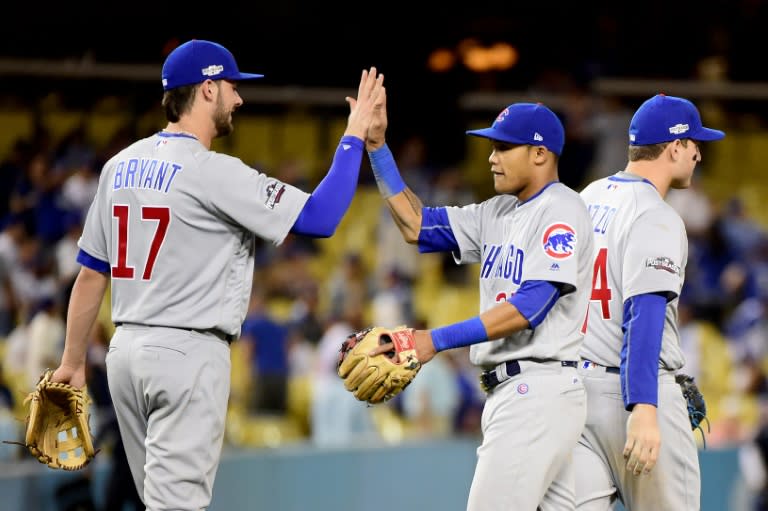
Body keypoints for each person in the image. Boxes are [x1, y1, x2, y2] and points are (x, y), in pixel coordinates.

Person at [48, 39, 385, 510]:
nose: (239, 98)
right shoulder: (212, 171)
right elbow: (321, 217)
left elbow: (90, 275)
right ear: (207, 89)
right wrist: (352, 134)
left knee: (157, 502)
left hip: (125, 354)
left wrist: (72, 362)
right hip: (186, 354)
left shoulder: (117, 166)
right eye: (231, 86)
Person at [366, 98, 595, 510]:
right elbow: (416, 226)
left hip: (536, 390)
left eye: (504, 148)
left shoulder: (560, 208)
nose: (491, 158)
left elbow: (531, 306)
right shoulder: (498, 210)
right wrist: (378, 148)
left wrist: (435, 339)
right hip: (520, 392)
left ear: (540, 153)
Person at [574, 93, 726, 510]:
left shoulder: (587, 197)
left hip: (578, 396)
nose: (698, 153)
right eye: (694, 143)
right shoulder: (656, 214)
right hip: (639, 393)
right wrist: (644, 407)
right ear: (675, 146)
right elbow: (644, 316)